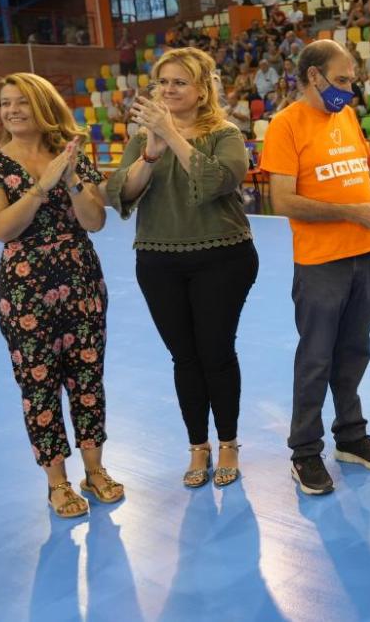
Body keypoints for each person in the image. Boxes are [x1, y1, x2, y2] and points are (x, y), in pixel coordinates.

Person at [0, 72, 121, 519]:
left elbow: (94, 221)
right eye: (5, 103)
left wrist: (69, 179)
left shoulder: (71, 155)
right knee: (39, 384)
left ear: (43, 106)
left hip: (82, 278)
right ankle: (57, 482)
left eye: (21, 103)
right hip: (26, 289)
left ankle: (96, 470)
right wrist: (41, 186)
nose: (11, 110)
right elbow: (1, 228)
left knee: (88, 378)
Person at [262, 40, 370, 495]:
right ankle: (305, 451)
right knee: (315, 359)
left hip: (361, 253)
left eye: (351, 81)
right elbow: (282, 199)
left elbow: (346, 177)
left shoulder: (344, 116)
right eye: (342, 80)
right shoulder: (286, 125)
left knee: (354, 353)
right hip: (320, 262)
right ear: (314, 76)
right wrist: (351, 213)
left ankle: (351, 435)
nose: (350, 90)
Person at [105, 47, 258, 490]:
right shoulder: (143, 137)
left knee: (216, 351)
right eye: (163, 82)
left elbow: (215, 182)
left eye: (179, 82)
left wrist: (171, 135)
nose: (168, 90)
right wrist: (150, 153)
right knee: (184, 357)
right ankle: (198, 446)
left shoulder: (224, 133)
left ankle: (227, 441)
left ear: (202, 89)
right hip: (158, 260)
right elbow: (119, 193)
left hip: (222, 258)